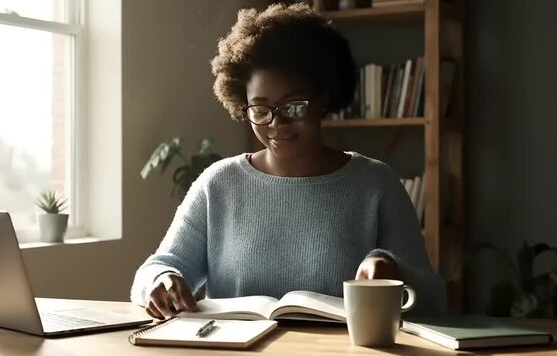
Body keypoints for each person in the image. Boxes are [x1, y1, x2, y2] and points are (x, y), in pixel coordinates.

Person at [131, 3, 446, 319]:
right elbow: (157, 268)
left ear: (323, 100)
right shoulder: (218, 184)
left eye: (293, 107)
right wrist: (161, 280)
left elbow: (434, 300)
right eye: (260, 109)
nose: (276, 124)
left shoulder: (376, 184)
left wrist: (391, 269)